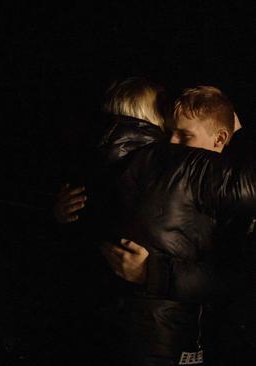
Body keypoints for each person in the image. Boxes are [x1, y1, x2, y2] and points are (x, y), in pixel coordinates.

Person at [93, 84, 256, 365]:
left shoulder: (120, 167)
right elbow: (232, 278)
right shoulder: (182, 170)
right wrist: (154, 273)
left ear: (220, 138)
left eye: (184, 135)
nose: (173, 143)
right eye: (170, 132)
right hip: (175, 340)